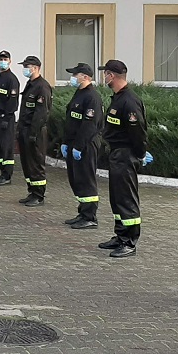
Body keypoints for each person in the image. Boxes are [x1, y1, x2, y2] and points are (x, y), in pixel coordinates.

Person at [97, 59, 153, 258]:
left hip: (126, 154)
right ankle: (120, 236)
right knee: (117, 197)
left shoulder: (129, 101)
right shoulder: (118, 98)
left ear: (111, 75)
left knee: (127, 198)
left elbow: (138, 132)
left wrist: (140, 154)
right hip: (116, 154)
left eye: (105, 74)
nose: (104, 77)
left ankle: (129, 242)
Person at [60, 63, 102, 229]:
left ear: (85, 77)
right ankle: (83, 212)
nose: (72, 78)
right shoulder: (79, 93)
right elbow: (71, 120)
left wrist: (79, 146)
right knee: (76, 179)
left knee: (86, 180)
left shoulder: (92, 97)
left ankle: (90, 216)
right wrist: (65, 142)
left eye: (75, 75)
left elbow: (90, 125)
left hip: (85, 144)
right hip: (73, 143)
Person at [16, 56, 53, 205]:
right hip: (25, 129)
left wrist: (33, 133)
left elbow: (41, 113)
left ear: (36, 68)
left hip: (35, 132)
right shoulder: (30, 84)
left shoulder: (42, 87)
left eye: (27, 66)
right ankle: (32, 191)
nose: (25, 69)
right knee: (27, 163)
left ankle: (39, 195)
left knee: (36, 163)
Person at [0, 51, 21, 187]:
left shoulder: (11, 80)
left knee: (6, 148)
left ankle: (7, 175)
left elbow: (12, 101)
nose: (3, 61)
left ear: (10, 61)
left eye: (5, 59)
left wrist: (6, 118)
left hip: (5, 119)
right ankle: (2, 173)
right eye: (1, 59)